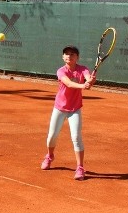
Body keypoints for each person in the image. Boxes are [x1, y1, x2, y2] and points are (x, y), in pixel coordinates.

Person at [40, 45, 96, 180]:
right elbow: (69, 83)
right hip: (59, 108)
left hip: (75, 109)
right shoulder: (60, 71)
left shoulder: (83, 69)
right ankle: (49, 156)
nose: (69, 56)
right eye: (66, 54)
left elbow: (87, 77)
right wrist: (83, 85)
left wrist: (90, 81)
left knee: (76, 137)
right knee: (52, 136)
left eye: (72, 54)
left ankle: (80, 167)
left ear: (77, 57)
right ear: (63, 57)